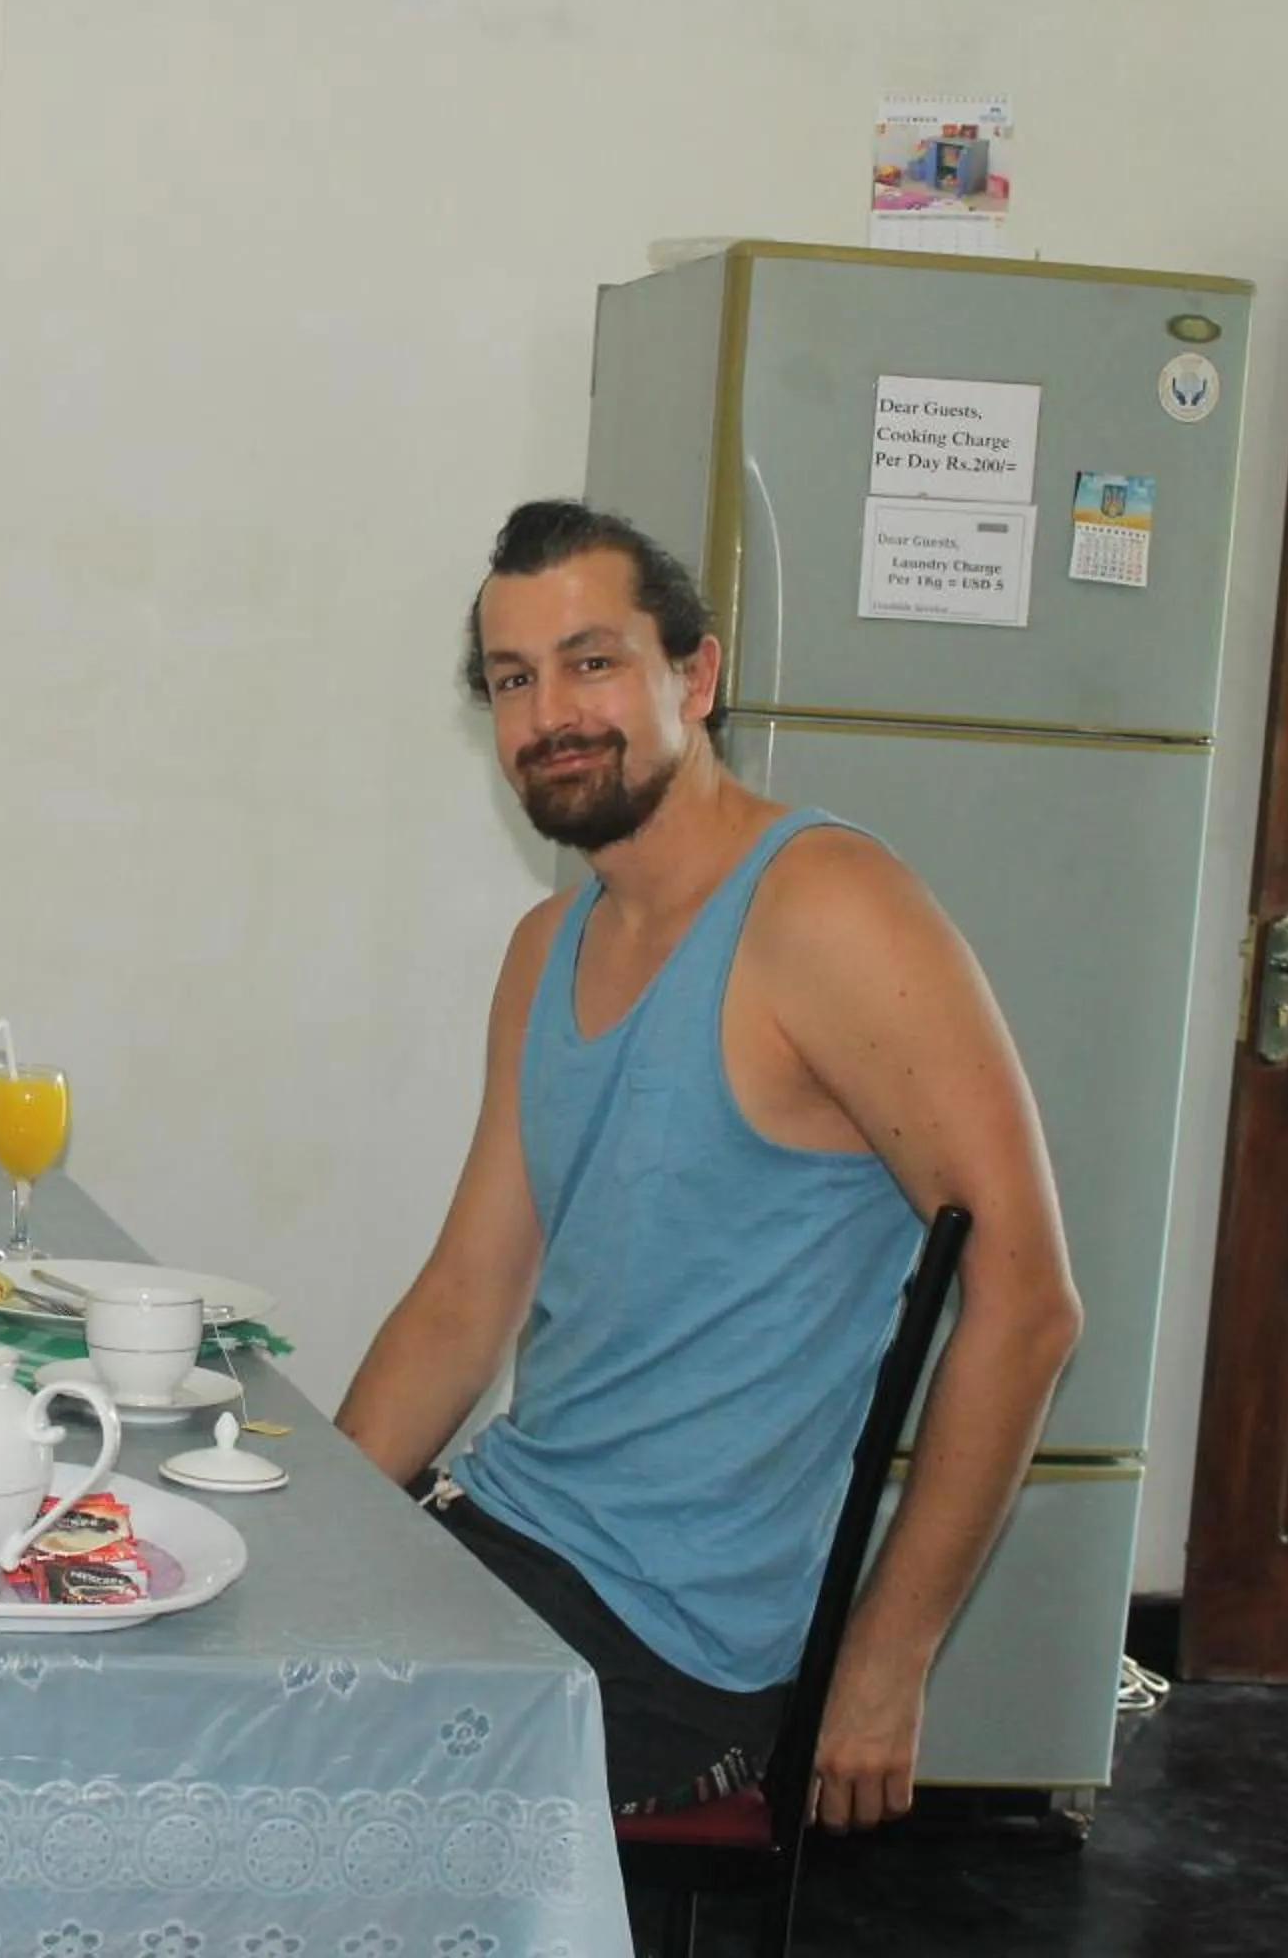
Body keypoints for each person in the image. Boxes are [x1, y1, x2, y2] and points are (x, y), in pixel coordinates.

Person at [335, 500, 1082, 1830]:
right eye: (514, 679)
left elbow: (1028, 1302)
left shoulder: (829, 911)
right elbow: (463, 1299)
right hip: (513, 1536)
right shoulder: (544, 951)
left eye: (593, 661)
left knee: (289, 1788)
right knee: (201, 1674)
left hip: (678, 1646)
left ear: (698, 675)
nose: (551, 711)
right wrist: (316, 1539)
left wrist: (886, 1659)